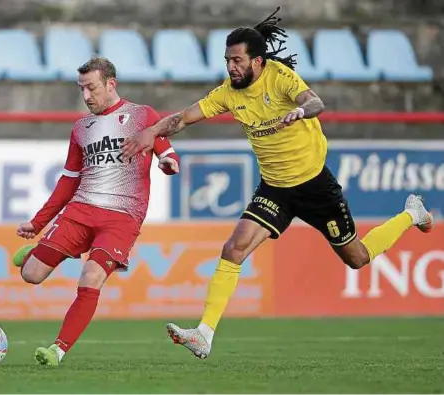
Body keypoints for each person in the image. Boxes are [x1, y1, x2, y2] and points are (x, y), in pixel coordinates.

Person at [120, 8, 433, 359]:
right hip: (275, 188)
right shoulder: (228, 92)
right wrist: (151, 131)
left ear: (257, 61)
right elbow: (184, 118)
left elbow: (314, 102)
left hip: (315, 186)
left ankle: (412, 213)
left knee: (357, 258)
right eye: (227, 60)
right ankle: (204, 333)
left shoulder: (281, 78)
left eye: (237, 60)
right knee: (234, 248)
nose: (231, 67)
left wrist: (300, 111)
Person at [12, 57, 180, 366]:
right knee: (31, 275)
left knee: (91, 276)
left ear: (110, 84)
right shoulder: (81, 128)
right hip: (81, 210)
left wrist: (168, 165)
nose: (86, 97)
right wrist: (38, 222)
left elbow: (168, 154)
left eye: (91, 88)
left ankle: (57, 350)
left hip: (122, 217)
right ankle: (33, 253)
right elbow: (69, 180)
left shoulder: (142, 115)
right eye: (82, 90)